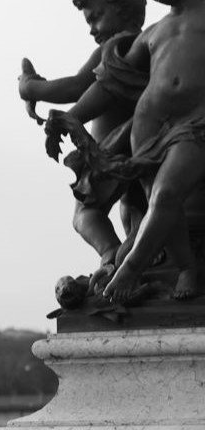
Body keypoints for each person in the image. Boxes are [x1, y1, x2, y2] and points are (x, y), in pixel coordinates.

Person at [45, 0, 205, 303]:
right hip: (147, 130)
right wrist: (72, 117)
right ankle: (185, 265)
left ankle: (131, 268)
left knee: (165, 195)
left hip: (193, 126)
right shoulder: (155, 32)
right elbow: (111, 83)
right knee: (155, 203)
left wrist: (33, 90)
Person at [18, 0, 146, 271]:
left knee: (84, 214)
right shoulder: (147, 45)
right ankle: (138, 255)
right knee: (133, 208)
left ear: (121, 8)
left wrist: (31, 88)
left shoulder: (116, 47)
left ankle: (110, 252)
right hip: (136, 146)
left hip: (110, 152)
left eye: (95, 18)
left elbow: (75, 88)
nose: (92, 29)